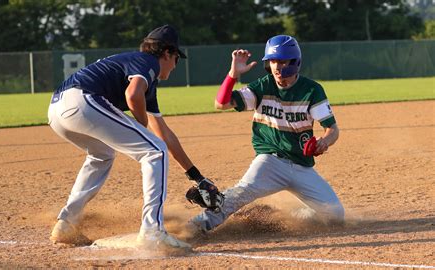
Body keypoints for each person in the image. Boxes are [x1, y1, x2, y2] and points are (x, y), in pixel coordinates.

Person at [47, 25, 218, 249]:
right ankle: (152, 232)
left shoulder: (146, 78)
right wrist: (142, 125)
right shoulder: (146, 61)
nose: (175, 65)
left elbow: (164, 133)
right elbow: (133, 95)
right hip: (82, 101)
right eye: (177, 58)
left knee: (102, 155)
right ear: (167, 53)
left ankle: (67, 223)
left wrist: (197, 176)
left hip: (57, 110)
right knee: (154, 151)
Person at [187, 35, 345, 234]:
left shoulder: (311, 90)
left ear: (295, 62)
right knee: (241, 193)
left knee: (336, 216)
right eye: (272, 61)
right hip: (270, 162)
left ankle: (289, 215)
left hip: (301, 166)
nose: (277, 67)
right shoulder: (262, 86)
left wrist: (324, 142)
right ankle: (197, 225)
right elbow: (221, 103)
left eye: (282, 61)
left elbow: (333, 130)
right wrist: (233, 74)